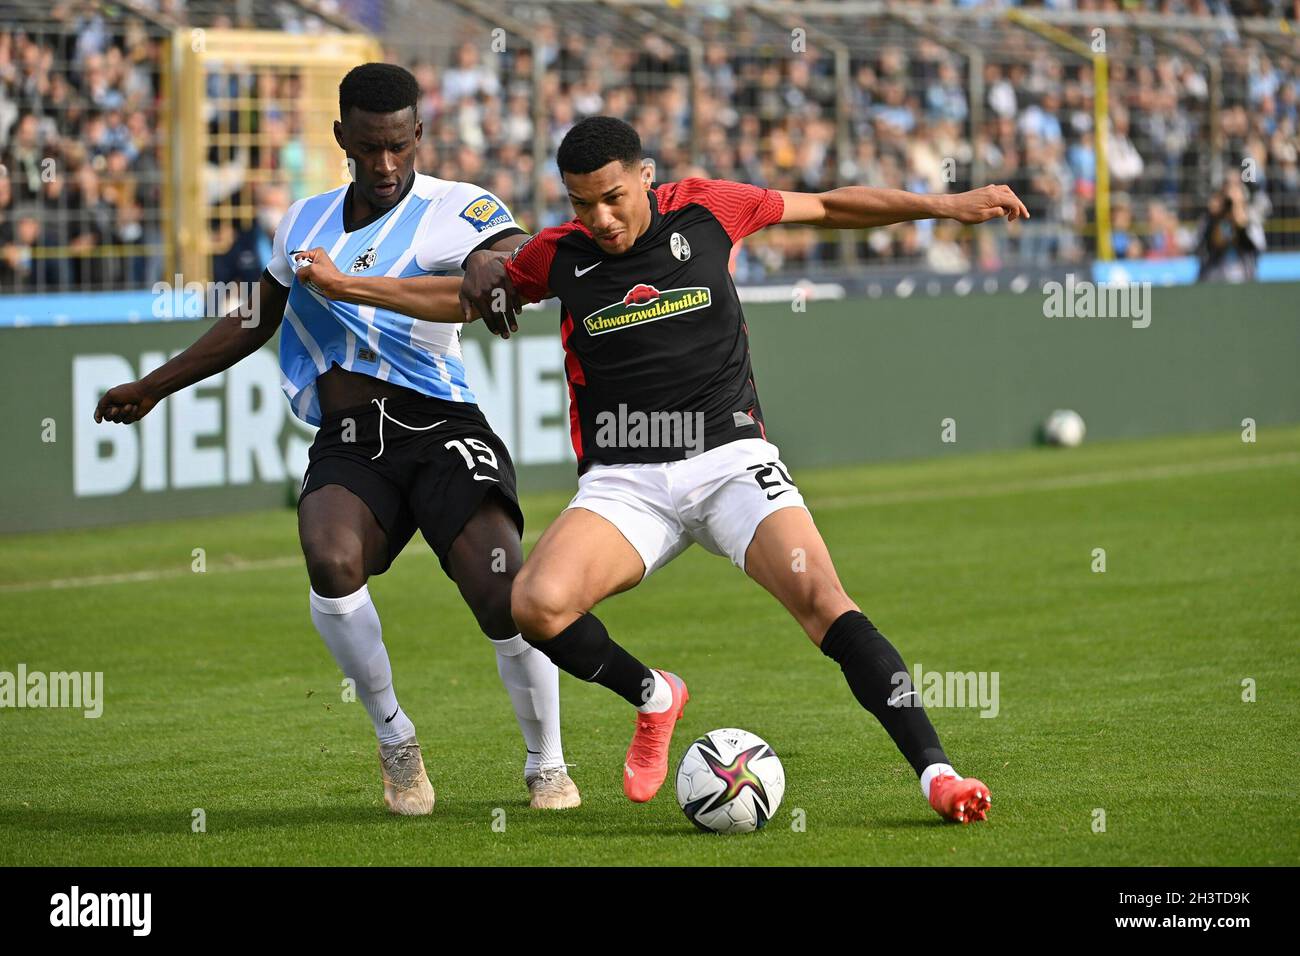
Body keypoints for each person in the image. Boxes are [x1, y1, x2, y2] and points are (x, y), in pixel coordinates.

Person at [315, 115, 1030, 824]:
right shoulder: (559, 254)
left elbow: (829, 205)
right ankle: (655, 696)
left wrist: (945, 205)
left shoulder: (710, 208)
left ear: (645, 177)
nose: (600, 217)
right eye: (581, 202)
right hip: (626, 484)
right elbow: (467, 300)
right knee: (535, 605)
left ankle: (938, 773)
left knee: (826, 604)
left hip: (731, 462)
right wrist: (349, 288)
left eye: (613, 197)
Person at [92, 63, 580, 815]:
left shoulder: (457, 206)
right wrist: (155, 385)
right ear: (341, 138)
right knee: (329, 555)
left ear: (418, 135)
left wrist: (491, 263)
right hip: (351, 439)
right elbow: (254, 318)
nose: (386, 165)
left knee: (501, 589)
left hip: (441, 425)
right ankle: (395, 740)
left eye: (399, 147)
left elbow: (508, 248)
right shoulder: (305, 223)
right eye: (369, 149)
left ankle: (546, 762)